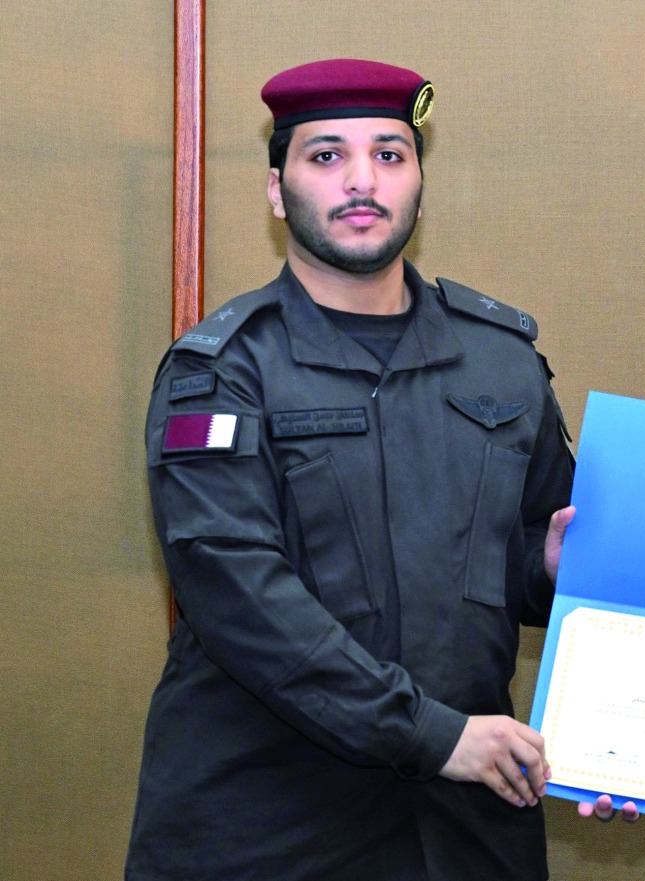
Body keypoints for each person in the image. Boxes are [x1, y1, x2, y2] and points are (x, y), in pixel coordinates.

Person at [125, 59, 576, 881]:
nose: (363, 181)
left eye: (391, 155)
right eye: (327, 156)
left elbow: (525, 562)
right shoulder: (221, 373)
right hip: (270, 829)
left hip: (467, 833)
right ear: (275, 188)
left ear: (418, 181)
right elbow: (243, 600)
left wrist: (549, 565)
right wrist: (437, 736)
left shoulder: (500, 362)